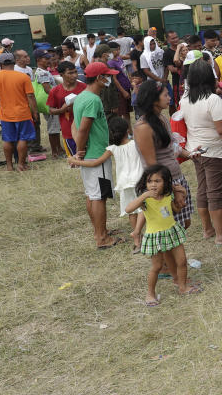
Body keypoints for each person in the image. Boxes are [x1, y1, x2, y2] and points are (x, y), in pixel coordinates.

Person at [181, 58, 222, 245]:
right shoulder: (212, 100)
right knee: (215, 193)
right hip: (215, 152)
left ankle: (208, 229)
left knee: (203, 190)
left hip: (196, 151)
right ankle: (221, 235)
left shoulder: (185, 99)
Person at [128, 164, 201, 305]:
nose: (153, 185)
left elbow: (176, 210)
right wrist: (144, 195)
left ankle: (183, 287)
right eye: (150, 181)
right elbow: (128, 208)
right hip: (155, 236)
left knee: (182, 261)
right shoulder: (145, 200)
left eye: (157, 181)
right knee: (156, 267)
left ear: (166, 182)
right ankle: (150, 294)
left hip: (171, 231)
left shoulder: (168, 195)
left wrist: (182, 195)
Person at [69, 116, 144, 252]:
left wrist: (76, 161)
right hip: (140, 181)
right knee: (144, 209)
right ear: (128, 130)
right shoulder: (136, 143)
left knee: (132, 212)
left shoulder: (112, 148)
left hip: (124, 184)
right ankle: (145, 233)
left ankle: (137, 240)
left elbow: (94, 163)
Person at [134, 80, 196, 236]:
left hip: (175, 178)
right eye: (166, 95)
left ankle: (174, 260)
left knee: (184, 223)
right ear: (154, 99)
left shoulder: (161, 119)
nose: (170, 98)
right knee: (168, 229)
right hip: (163, 184)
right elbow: (152, 165)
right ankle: (169, 261)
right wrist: (172, 188)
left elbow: (171, 148)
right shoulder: (143, 127)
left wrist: (190, 154)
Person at [73, 62, 122, 248]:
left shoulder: (81, 97)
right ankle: (102, 238)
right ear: (99, 78)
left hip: (90, 154)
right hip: (96, 154)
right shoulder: (93, 100)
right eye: (107, 75)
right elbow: (84, 127)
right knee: (99, 196)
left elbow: (76, 126)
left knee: (91, 194)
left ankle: (99, 231)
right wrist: (80, 150)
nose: (109, 78)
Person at [0, 53, 36, 171]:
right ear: (14, 62)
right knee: (22, 139)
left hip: (5, 114)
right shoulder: (23, 77)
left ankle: (9, 166)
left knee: (7, 139)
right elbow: (30, 96)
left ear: (0, 64)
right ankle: (21, 164)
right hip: (22, 113)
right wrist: (34, 112)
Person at [45, 61, 86, 156]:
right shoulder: (55, 91)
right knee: (75, 161)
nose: (75, 75)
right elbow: (50, 110)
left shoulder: (84, 88)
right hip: (68, 131)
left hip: (85, 128)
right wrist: (62, 110)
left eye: (75, 72)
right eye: (70, 73)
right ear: (61, 75)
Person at [32, 49, 63, 158]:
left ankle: (59, 148)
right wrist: (60, 96)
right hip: (50, 103)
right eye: (46, 58)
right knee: (53, 128)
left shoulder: (42, 71)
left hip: (48, 102)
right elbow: (47, 89)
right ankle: (56, 152)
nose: (49, 60)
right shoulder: (42, 72)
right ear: (38, 60)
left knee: (54, 127)